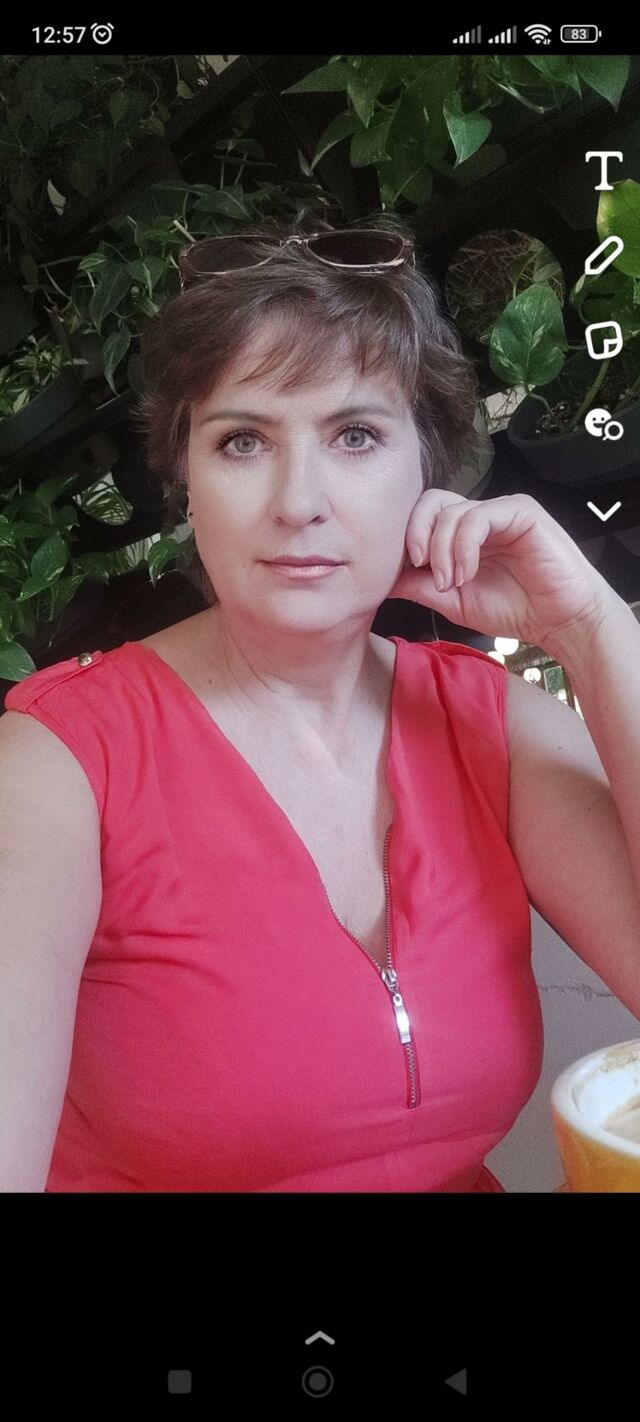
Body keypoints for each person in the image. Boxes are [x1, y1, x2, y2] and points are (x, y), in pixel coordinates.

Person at [0, 216, 543, 1191]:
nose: (299, 501)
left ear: (427, 471)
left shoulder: (484, 718)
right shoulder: (60, 763)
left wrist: (586, 624)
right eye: (243, 440)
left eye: (355, 436)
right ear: (187, 482)